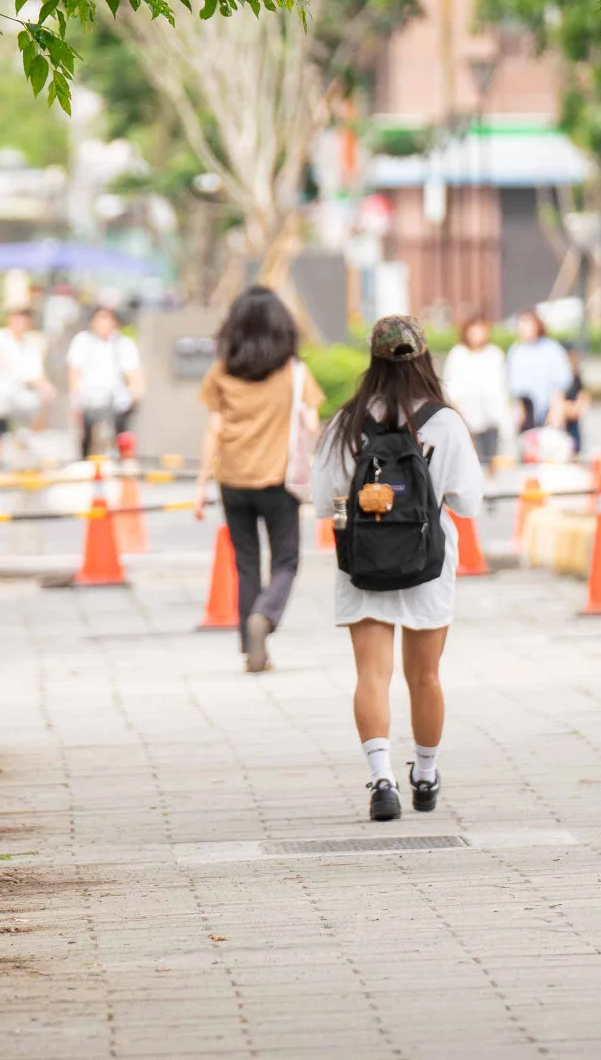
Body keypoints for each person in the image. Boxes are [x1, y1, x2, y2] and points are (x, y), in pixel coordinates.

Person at [312, 316, 484, 822]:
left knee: (371, 673)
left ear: (373, 358)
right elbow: (467, 502)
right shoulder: (444, 422)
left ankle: (382, 778)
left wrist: (351, 534)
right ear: (424, 357)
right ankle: (425, 775)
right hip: (428, 563)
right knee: (425, 676)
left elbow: (326, 502)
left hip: (362, 564)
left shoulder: (346, 422)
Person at [193, 287, 324, 673]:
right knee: (285, 560)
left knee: (246, 562)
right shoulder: (293, 372)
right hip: (278, 480)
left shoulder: (221, 371)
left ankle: (253, 651)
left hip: (232, 480)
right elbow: (311, 422)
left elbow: (214, 429)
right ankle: (264, 617)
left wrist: (201, 483)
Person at [0, 308, 53, 466]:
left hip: (19, 397)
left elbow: (36, 374)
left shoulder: (29, 347)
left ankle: (21, 461)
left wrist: (46, 388)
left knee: (22, 431)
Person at [67, 306, 144, 460]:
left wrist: (135, 392)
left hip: (116, 401)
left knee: (123, 430)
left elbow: (134, 375)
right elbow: (74, 372)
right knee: (88, 434)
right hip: (89, 398)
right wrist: (75, 398)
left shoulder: (123, 344)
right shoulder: (82, 341)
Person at [440, 318, 511, 466]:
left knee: (493, 457)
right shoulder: (458, 354)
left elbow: (501, 385)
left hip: (492, 415)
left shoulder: (494, 354)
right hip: (466, 414)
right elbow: (451, 385)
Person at [505, 310, 573, 441]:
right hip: (526, 408)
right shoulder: (516, 351)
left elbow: (560, 383)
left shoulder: (552, 349)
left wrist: (556, 409)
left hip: (549, 406)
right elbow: (514, 387)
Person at [557, 341, 588, 456]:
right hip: (562, 425)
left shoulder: (576, 377)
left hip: (573, 425)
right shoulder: (559, 378)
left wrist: (574, 408)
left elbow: (582, 399)